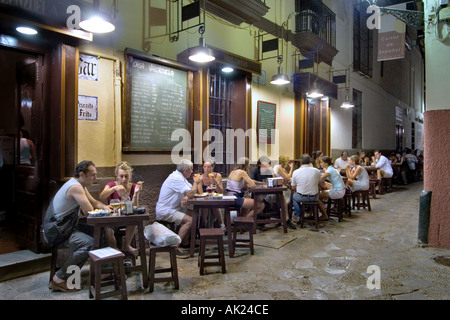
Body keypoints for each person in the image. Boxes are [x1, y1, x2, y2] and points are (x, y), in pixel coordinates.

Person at [43, 160, 111, 292]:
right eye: (92, 175)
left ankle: (103, 271)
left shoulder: (81, 186)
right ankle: (59, 278)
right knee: (90, 243)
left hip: (66, 227)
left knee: (101, 231)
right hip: (57, 231)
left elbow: (95, 203)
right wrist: (103, 211)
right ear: (82, 175)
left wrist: (107, 208)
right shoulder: (75, 187)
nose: (95, 178)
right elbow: (89, 211)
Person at [155, 159, 201, 258]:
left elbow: (191, 192)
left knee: (194, 214)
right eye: (191, 170)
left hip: (174, 208)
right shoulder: (176, 178)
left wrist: (187, 196)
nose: (192, 172)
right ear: (186, 171)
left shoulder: (181, 178)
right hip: (166, 210)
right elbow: (191, 192)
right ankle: (175, 247)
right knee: (190, 220)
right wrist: (196, 183)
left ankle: (185, 242)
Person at [99, 161, 143, 257]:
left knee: (134, 221)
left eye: (126, 176)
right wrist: (113, 189)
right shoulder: (111, 184)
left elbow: (135, 207)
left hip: (126, 218)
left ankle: (127, 246)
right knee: (107, 230)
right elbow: (102, 196)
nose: (124, 179)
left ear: (130, 176)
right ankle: (115, 250)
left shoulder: (134, 187)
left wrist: (135, 194)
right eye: (121, 176)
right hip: (113, 219)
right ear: (117, 176)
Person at [291, 154, 326, 222]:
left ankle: (297, 216)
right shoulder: (316, 171)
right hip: (314, 197)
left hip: (302, 197)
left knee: (294, 197)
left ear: (300, 162)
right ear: (310, 162)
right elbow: (320, 182)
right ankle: (312, 213)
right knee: (315, 195)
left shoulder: (296, 172)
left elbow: (293, 187)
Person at [196, 159, 226, 231]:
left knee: (214, 205)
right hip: (204, 200)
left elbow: (220, 192)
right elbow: (200, 193)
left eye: (208, 167)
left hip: (215, 199)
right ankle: (204, 225)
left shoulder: (217, 176)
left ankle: (221, 224)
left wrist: (215, 183)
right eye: (204, 167)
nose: (206, 169)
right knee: (205, 206)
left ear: (212, 167)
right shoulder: (200, 177)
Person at [272, 155, 296, 229]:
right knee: (294, 196)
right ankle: (288, 218)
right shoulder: (278, 167)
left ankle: (287, 216)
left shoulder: (280, 168)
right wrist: (292, 168)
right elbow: (287, 178)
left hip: (283, 187)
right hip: (281, 189)